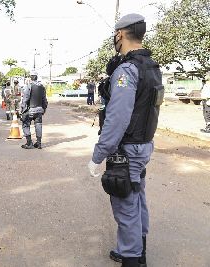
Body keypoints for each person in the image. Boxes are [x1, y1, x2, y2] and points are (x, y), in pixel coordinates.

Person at [88, 14, 163, 267]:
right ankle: (136, 250)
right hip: (143, 144)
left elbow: (117, 119)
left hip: (127, 148)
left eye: (115, 35)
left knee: (125, 205)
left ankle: (132, 258)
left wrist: (99, 155)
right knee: (137, 196)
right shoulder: (151, 66)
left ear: (120, 34)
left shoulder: (127, 70)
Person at [20, 71, 48, 149]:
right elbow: (44, 99)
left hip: (30, 110)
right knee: (38, 125)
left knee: (25, 125)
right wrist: (44, 108)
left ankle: (29, 143)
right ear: (37, 77)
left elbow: (25, 99)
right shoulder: (42, 87)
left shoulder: (28, 86)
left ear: (31, 77)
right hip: (39, 110)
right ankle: (38, 143)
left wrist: (22, 110)